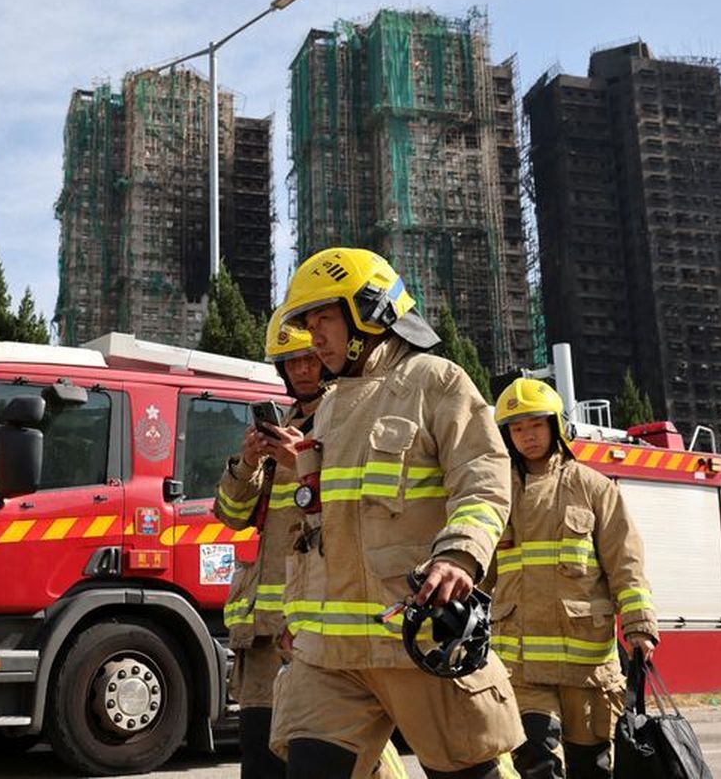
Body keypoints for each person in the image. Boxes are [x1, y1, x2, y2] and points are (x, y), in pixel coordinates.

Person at [269, 247, 524, 779]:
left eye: (324, 319)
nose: (314, 337)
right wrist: (297, 614)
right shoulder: (331, 404)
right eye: (308, 323)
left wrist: (459, 553)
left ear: (369, 309)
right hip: (330, 656)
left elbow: (483, 474)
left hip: (417, 633)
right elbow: (314, 527)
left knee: (469, 772)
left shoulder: (437, 380)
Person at [214, 309, 407, 779]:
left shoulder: (350, 421)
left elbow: (358, 513)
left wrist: (304, 460)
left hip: (325, 621)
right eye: (290, 362)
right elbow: (231, 515)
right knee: (261, 761)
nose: (301, 369)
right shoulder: (279, 427)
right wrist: (247, 463)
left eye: (308, 359)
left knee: (345, 758)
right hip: (266, 628)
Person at [491, 378, 658, 779]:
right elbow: (479, 567)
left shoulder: (594, 488)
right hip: (521, 664)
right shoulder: (496, 495)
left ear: (555, 426)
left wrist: (639, 626)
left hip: (585, 666)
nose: (526, 437)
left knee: (592, 768)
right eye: (516, 429)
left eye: (534, 425)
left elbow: (626, 562)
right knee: (536, 758)